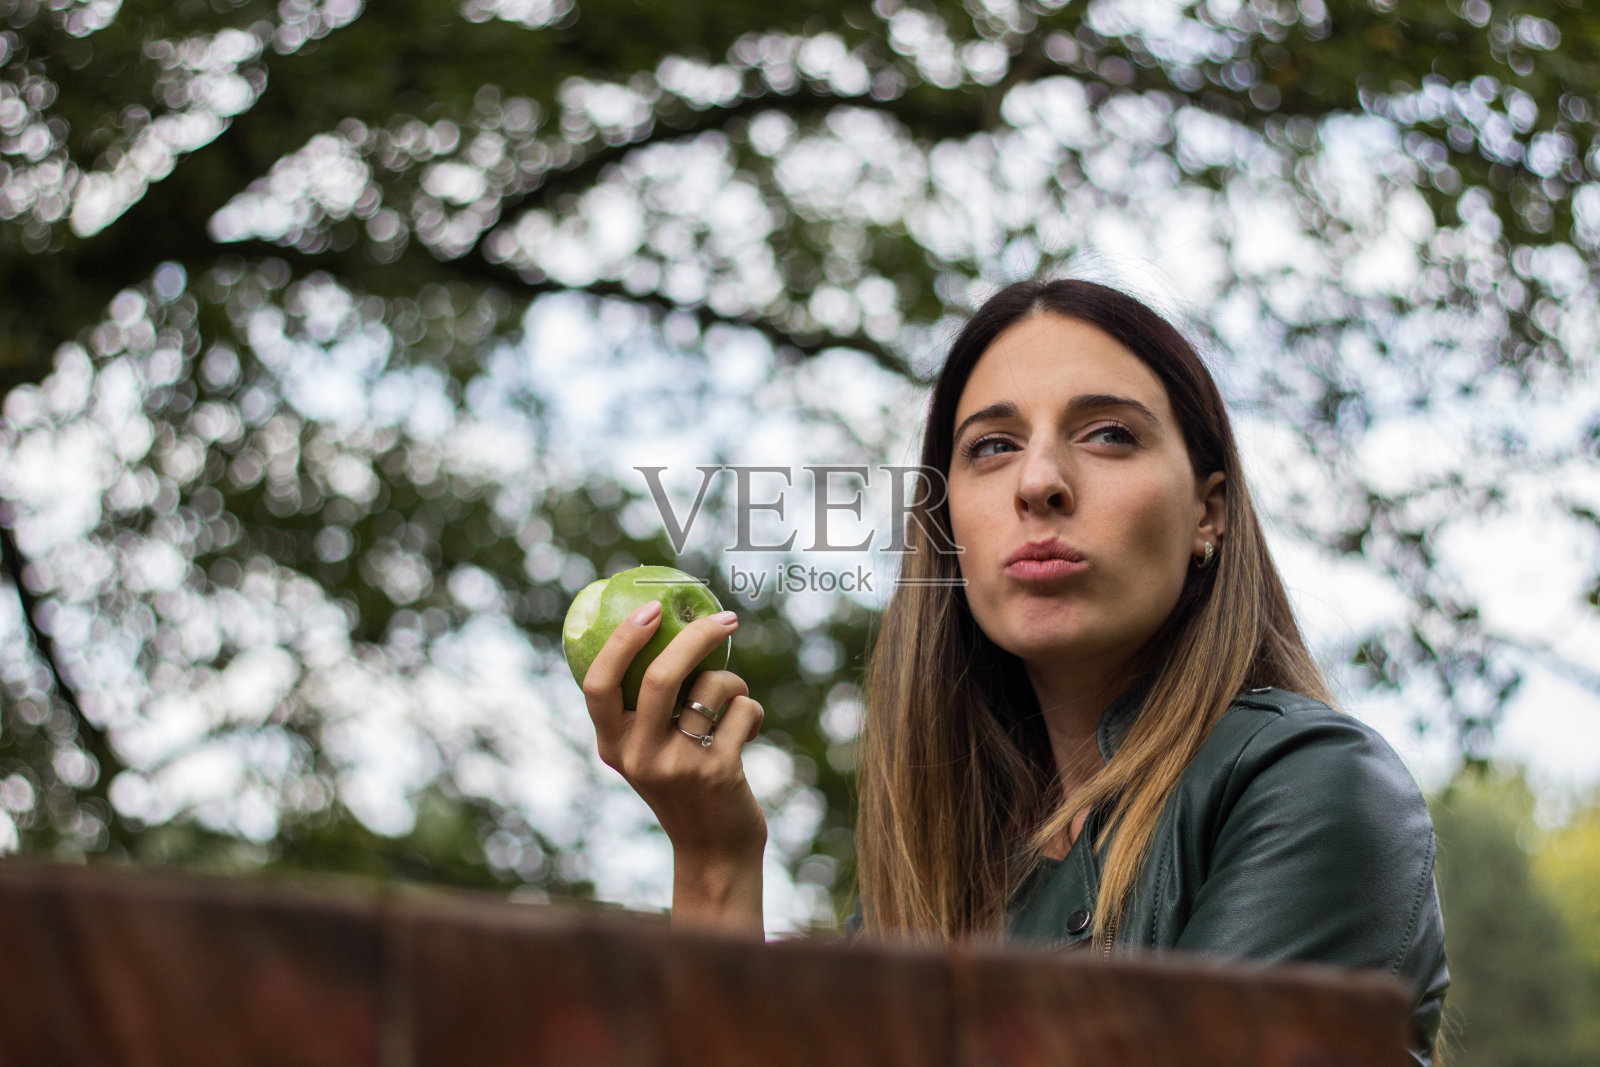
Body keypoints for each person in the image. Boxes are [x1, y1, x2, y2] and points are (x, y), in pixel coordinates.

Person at [578, 279, 1449, 1065]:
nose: (1039, 482)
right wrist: (715, 856)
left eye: (1109, 434)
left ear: (1207, 514)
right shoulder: (934, 877)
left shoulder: (1313, 787)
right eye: (992, 447)